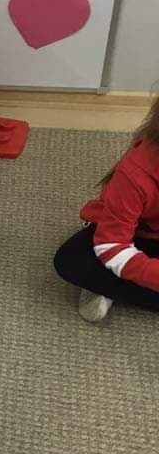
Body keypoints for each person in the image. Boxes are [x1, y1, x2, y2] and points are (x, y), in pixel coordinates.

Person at [54, 92, 159, 322]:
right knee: (71, 260)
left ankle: (111, 284)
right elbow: (112, 245)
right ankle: (110, 282)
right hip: (130, 234)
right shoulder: (135, 175)